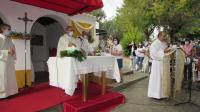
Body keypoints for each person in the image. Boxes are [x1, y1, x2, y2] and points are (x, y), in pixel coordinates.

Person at [148, 31, 172, 99]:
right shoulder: (154, 44)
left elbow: (166, 51)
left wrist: (169, 50)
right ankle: (155, 94)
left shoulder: (165, 43)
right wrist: (164, 51)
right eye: (163, 36)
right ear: (159, 36)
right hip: (157, 64)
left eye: (165, 36)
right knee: (157, 79)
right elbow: (153, 54)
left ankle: (164, 94)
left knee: (163, 79)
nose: (165, 37)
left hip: (164, 63)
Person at [0, 24, 18, 98]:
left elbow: (13, 48)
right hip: (2, 62)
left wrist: (13, 52)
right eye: (8, 29)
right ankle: (2, 94)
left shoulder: (9, 39)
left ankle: (10, 92)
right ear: (3, 29)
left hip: (9, 61)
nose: (10, 31)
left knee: (9, 76)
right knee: (3, 77)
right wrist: (7, 51)